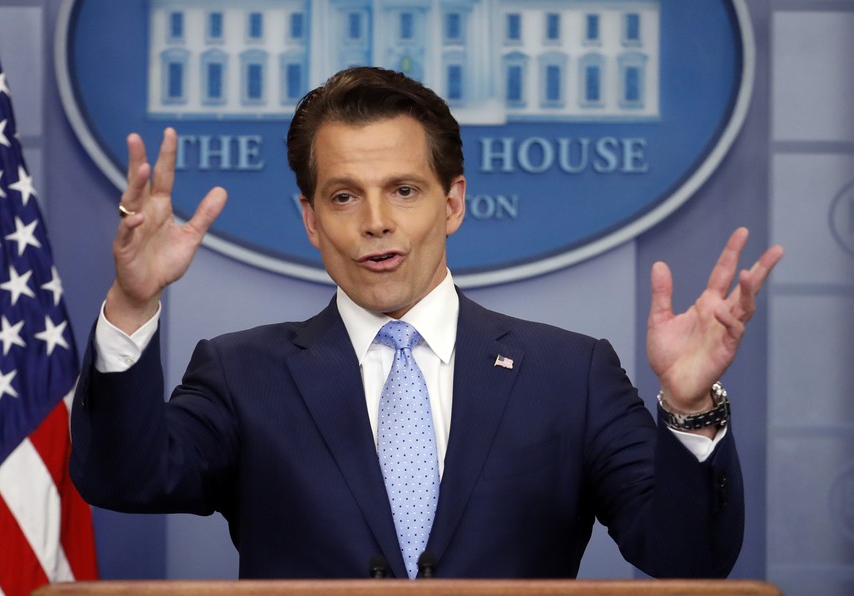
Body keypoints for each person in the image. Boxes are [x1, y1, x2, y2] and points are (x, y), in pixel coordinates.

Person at [70, 67, 784, 580]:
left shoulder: (571, 374)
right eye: (344, 196)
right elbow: (124, 481)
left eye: (403, 191)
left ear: (451, 203)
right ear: (311, 222)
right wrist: (132, 305)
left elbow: (686, 558)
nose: (375, 221)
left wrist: (689, 408)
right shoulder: (240, 373)